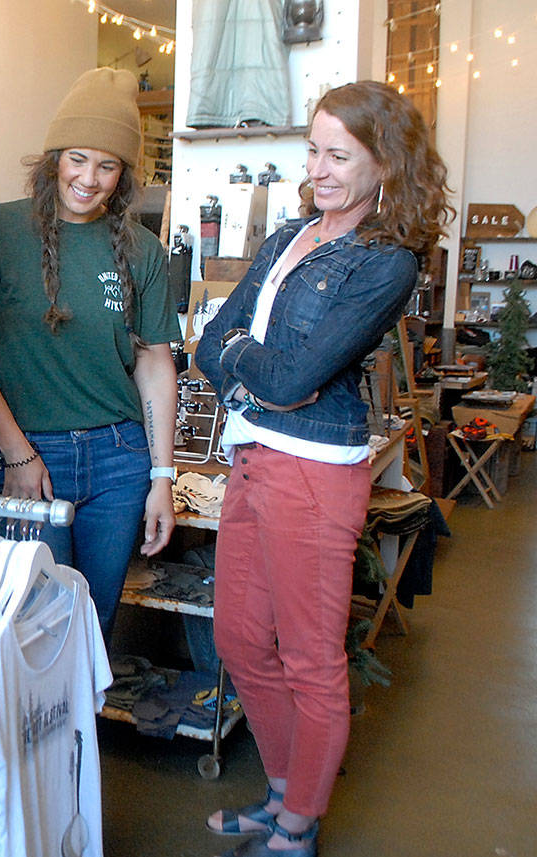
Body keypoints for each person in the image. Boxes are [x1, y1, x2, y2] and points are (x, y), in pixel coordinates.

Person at [194, 81, 452, 857]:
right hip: (251, 455)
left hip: (315, 470)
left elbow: (291, 375)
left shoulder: (387, 261)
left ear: (387, 163)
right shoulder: (290, 235)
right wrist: (251, 362)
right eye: (314, 148)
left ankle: (299, 822)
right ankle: (281, 791)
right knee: (240, 640)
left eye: (339, 155)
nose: (319, 167)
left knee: (309, 654)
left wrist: (247, 361)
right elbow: (216, 343)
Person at [0, 67, 179, 633]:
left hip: (118, 463)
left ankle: (84, 726)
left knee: (89, 629)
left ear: (123, 174)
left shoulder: (141, 250)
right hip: (27, 451)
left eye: (108, 165)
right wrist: (17, 454)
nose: (89, 178)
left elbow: (153, 363)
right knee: (27, 629)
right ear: (55, 156)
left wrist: (162, 477)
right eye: (78, 158)